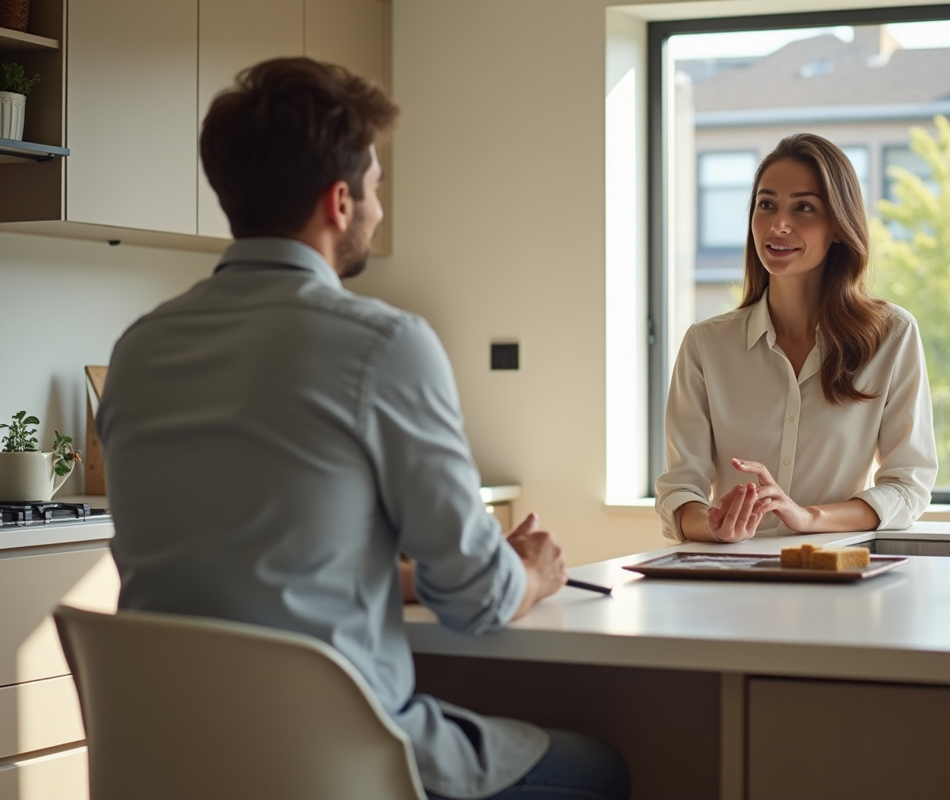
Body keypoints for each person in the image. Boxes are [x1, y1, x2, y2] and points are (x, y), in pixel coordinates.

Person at [96, 57, 629, 800]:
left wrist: (408, 574)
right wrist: (529, 574)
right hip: (330, 765)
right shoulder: (383, 344)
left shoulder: (138, 348)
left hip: (171, 764)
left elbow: (242, 565)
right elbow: (476, 603)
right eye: (377, 188)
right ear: (339, 202)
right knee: (603, 770)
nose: (380, 208)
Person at [655, 133, 938, 543]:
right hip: (730, 578)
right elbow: (679, 490)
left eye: (803, 208)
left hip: (833, 576)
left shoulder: (891, 336)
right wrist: (712, 524)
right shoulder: (705, 345)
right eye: (766, 205)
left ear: (839, 227)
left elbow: (908, 487)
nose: (778, 225)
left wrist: (807, 517)